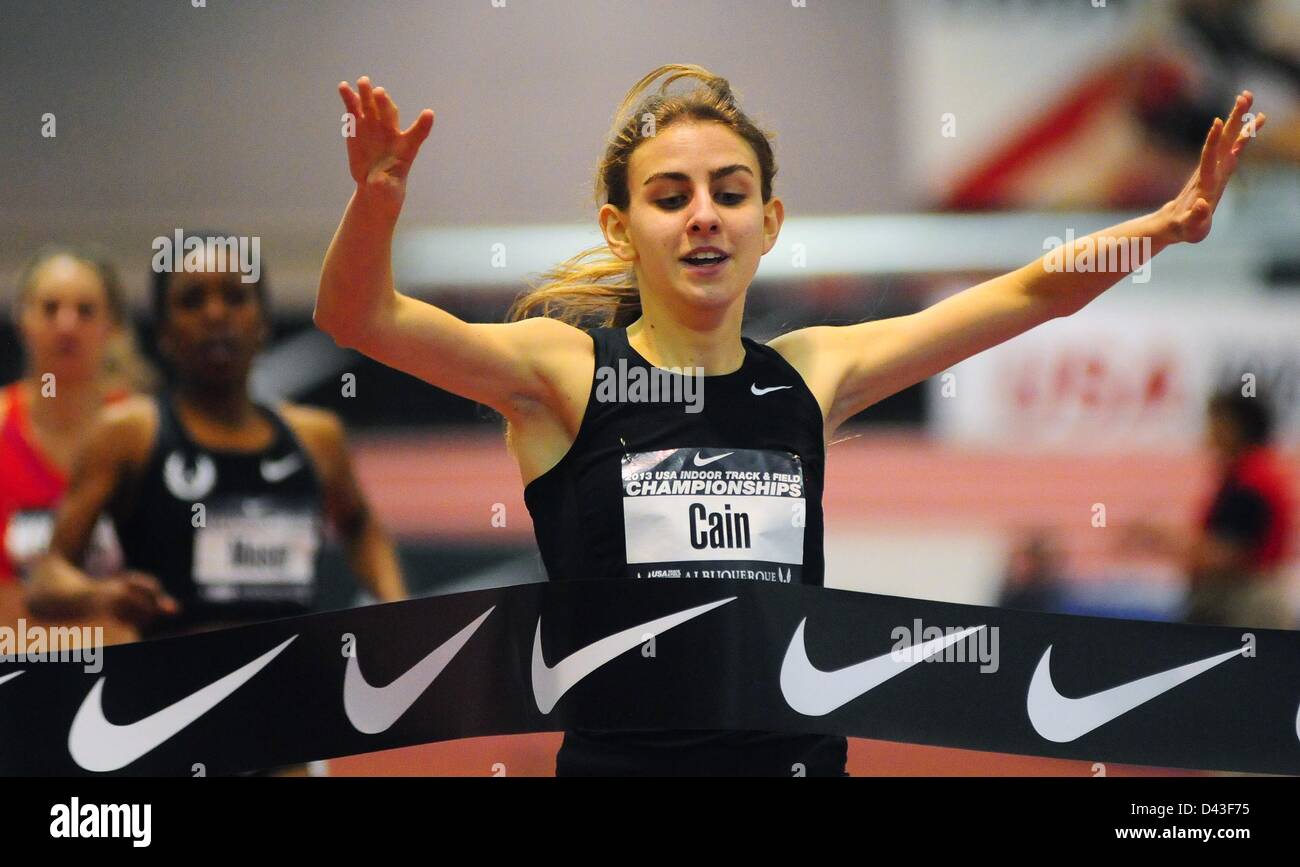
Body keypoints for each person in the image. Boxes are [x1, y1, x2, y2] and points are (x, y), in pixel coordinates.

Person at [314, 64, 1264, 776]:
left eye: (730, 194)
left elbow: (1029, 293)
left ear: (769, 222)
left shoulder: (810, 372)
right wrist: (378, 200)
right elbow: (362, 319)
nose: (704, 217)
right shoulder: (565, 375)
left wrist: (1166, 223)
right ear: (618, 228)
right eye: (670, 196)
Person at [29, 235, 407, 643]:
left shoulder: (316, 437)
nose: (215, 314)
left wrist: (399, 607)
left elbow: (360, 527)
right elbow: (46, 582)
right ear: (163, 332)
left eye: (235, 297)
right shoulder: (128, 435)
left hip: (293, 686)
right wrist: (99, 595)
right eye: (192, 301)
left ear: (263, 322)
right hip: (172, 695)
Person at [1, 245, 152, 644]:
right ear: (22, 320)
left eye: (85, 310)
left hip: (128, 681)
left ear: (113, 325)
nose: (66, 325)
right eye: (50, 308)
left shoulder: (145, 434)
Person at [1122, 390, 1295, 628]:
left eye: (1214, 422)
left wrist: (1158, 538)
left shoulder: (1253, 481)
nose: (1207, 431)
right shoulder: (1243, 476)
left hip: (1244, 606)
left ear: (1233, 427)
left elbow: (1228, 554)